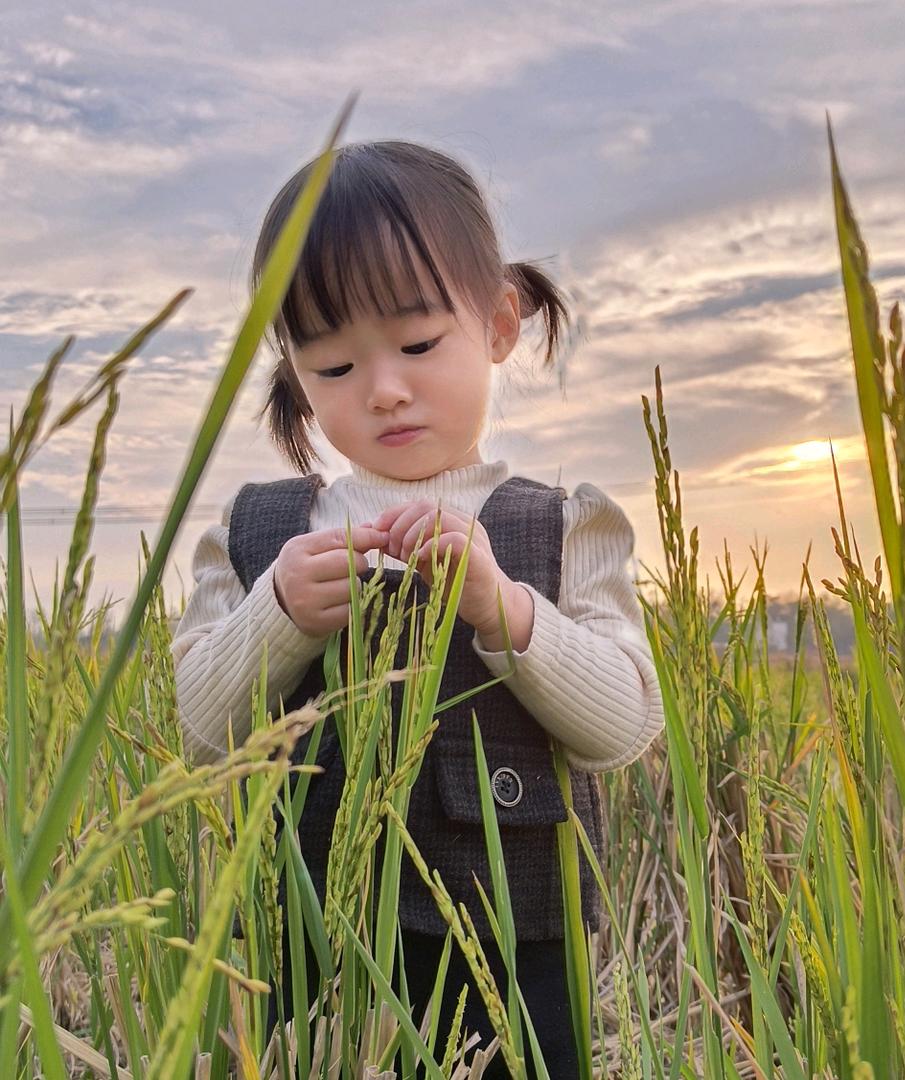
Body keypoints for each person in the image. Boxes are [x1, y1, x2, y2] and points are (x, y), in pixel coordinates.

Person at [170, 139, 664, 1077]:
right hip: (316, 953)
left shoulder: (561, 530)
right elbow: (198, 729)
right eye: (334, 367)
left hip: (517, 953)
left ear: (501, 323)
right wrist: (277, 615)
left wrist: (506, 610)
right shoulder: (260, 531)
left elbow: (626, 721)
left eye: (419, 345)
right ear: (293, 371)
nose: (385, 389)